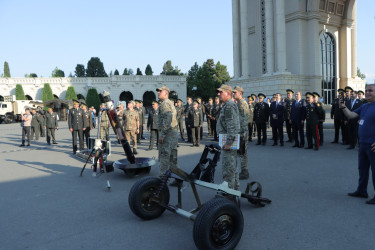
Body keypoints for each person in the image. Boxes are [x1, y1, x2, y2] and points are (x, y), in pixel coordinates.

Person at [341, 84, 375, 204]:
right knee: (362, 169)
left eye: (370, 90)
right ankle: (362, 191)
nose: (367, 92)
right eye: (366, 90)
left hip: (372, 145)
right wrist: (343, 107)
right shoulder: (364, 106)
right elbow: (351, 115)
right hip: (363, 144)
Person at [216, 84, 240, 190]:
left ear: (228, 93)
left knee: (229, 169)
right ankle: (234, 190)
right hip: (227, 142)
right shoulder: (227, 105)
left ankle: (230, 194)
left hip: (228, 143)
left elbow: (232, 126)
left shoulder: (229, 106)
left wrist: (229, 143)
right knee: (232, 168)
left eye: (221, 92)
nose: (218, 94)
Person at [156, 85, 179, 177]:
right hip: (172, 132)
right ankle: (178, 178)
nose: (158, 92)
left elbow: (168, 117)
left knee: (164, 156)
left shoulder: (165, 103)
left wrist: (162, 134)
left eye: (160, 91)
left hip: (168, 134)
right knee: (173, 157)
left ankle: (162, 178)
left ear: (166, 93)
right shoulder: (169, 102)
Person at [233, 86, 250, 180]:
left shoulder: (242, 103)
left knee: (243, 152)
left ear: (240, 93)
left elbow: (243, 119)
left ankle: (245, 171)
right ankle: (243, 170)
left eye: (235, 92)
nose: (233, 94)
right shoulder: (239, 103)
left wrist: (241, 133)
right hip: (240, 131)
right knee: (241, 152)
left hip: (242, 132)